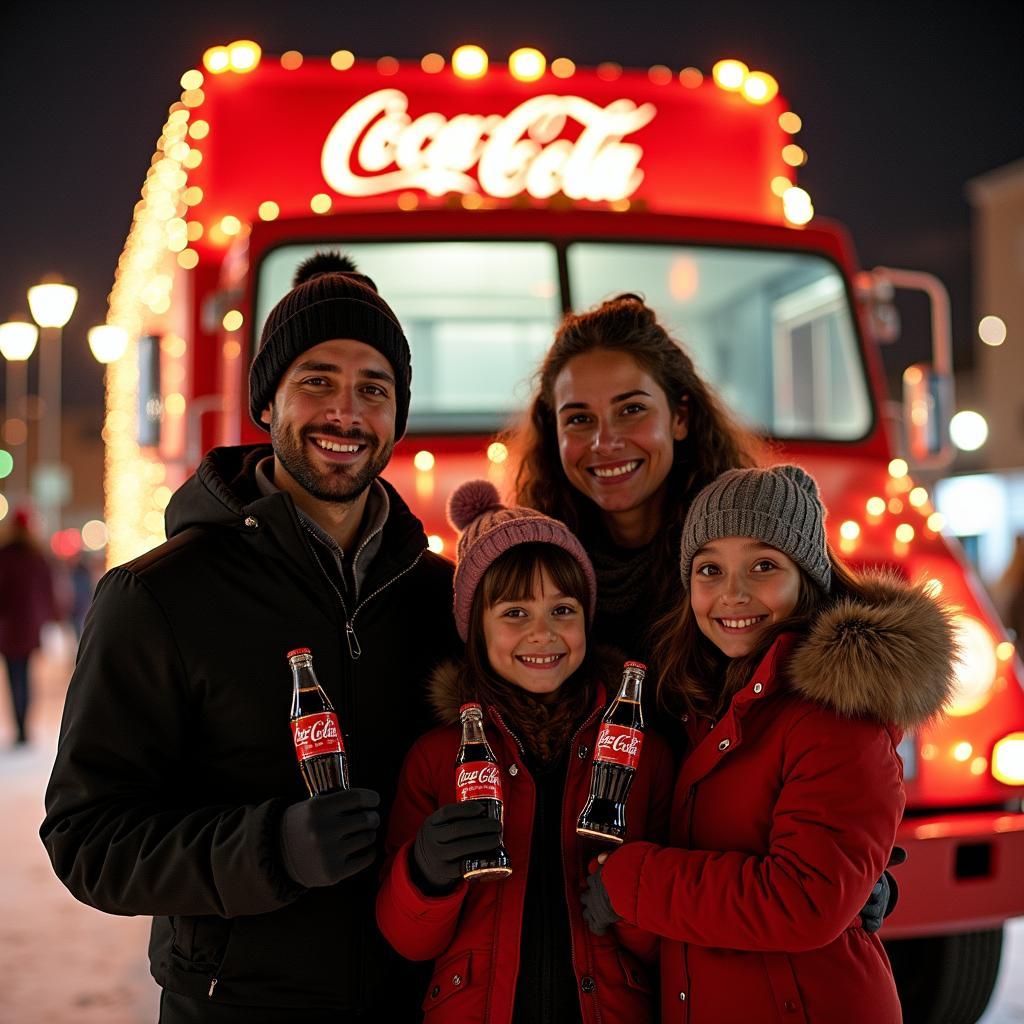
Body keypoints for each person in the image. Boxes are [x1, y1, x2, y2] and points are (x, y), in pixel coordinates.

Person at [40, 253, 461, 1022]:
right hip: (238, 1007)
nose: (346, 412)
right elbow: (86, 839)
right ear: (267, 403)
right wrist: (270, 849)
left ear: (397, 416)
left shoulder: (443, 598)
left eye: (375, 388)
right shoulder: (156, 596)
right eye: (317, 381)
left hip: (418, 1002)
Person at [579, 465, 957, 1023]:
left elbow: (802, 901)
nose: (732, 594)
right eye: (709, 569)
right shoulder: (701, 705)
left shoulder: (834, 718)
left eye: (763, 566)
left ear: (807, 578)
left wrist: (631, 883)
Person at [376, 480, 674, 1023]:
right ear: (476, 630)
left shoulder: (642, 753)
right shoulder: (436, 756)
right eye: (514, 613)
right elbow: (407, 942)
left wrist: (630, 901)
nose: (543, 633)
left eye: (563, 610)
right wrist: (424, 873)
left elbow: (667, 942)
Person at [510, 293, 763, 666]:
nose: (605, 442)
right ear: (554, 434)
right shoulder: (530, 559)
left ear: (680, 418)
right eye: (579, 419)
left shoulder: (752, 551)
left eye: (631, 410)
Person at [0, 508, 56, 745]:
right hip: (29, 625)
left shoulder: (4, 556)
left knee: (15, 677)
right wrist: (50, 616)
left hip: (9, 627)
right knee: (26, 675)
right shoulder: (37, 556)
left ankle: (21, 725)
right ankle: (24, 726)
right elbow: (48, 592)